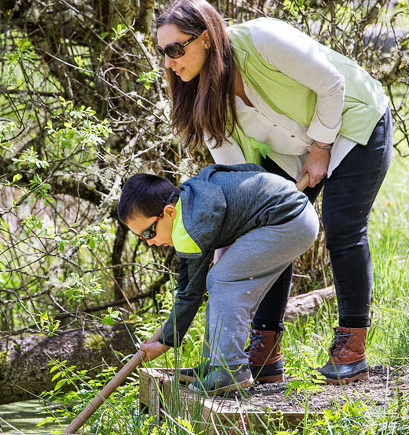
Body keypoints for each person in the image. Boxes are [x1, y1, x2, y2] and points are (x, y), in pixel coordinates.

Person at [155, 0, 393, 384]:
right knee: (264, 229)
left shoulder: (263, 39)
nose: (169, 61)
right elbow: (237, 178)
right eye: (163, 52)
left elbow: (332, 83)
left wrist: (320, 148)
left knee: (342, 225)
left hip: (353, 119)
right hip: (294, 152)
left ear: (207, 39)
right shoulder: (203, 99)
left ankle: (352, 345)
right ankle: (264, 351)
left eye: (175, 49)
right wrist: (226, 242)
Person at [117, 164, 319, 395]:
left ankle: (230, 368)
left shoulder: (192, 228)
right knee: (221, 279)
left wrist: (164, 343)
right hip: (293, 215)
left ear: (170, 212)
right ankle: (216, 364)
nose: (149, 242)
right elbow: (246, 168)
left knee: (222, 280)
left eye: (148, 233)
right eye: (142, 238)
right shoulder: (192, 195)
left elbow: (189, 293)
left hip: (288, 221)